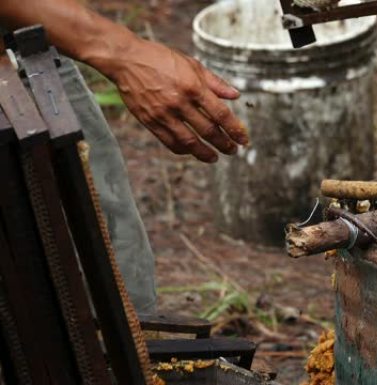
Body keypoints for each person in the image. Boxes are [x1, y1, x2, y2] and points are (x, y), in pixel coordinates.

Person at [0, 0, 250, 313]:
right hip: (14, 69)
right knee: (79, 305)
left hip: (35, 38)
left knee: (118, 284)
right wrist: (125, 55)